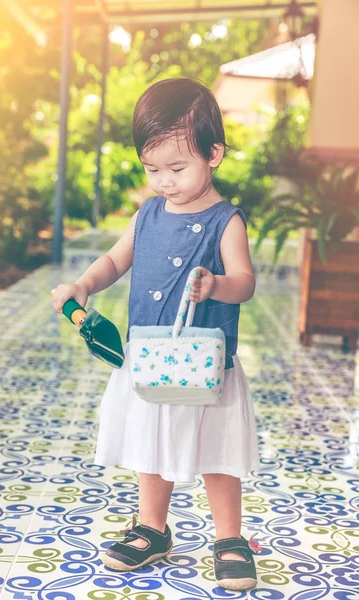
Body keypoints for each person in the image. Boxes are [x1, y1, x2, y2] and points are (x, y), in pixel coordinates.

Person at [51, 77, 261, 592]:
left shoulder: (225, 221)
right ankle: (152, 526)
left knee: (217, 451)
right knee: (150, 445)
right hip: (148, 359)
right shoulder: (146, 215)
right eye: (152, 170)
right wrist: (83, 283)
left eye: (176, 168)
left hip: (206, 364)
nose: (163, 181)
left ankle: (229, 537)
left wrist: (217, 285)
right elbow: (115, 260)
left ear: (214, 154)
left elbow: (247, 283)